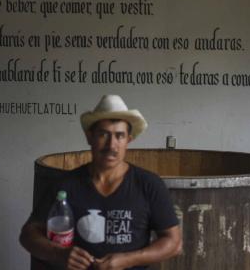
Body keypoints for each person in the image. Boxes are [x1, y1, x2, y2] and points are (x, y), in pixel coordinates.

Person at [20, 94, 182, 269]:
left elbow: (174, 242)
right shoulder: (66, 184)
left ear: (129, 139)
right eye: (103, 134)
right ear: (90, 137)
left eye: (119, 136)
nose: (111, 145)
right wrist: (59, 254)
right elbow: (28, 235)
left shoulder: (149, 184)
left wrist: (127, 260)